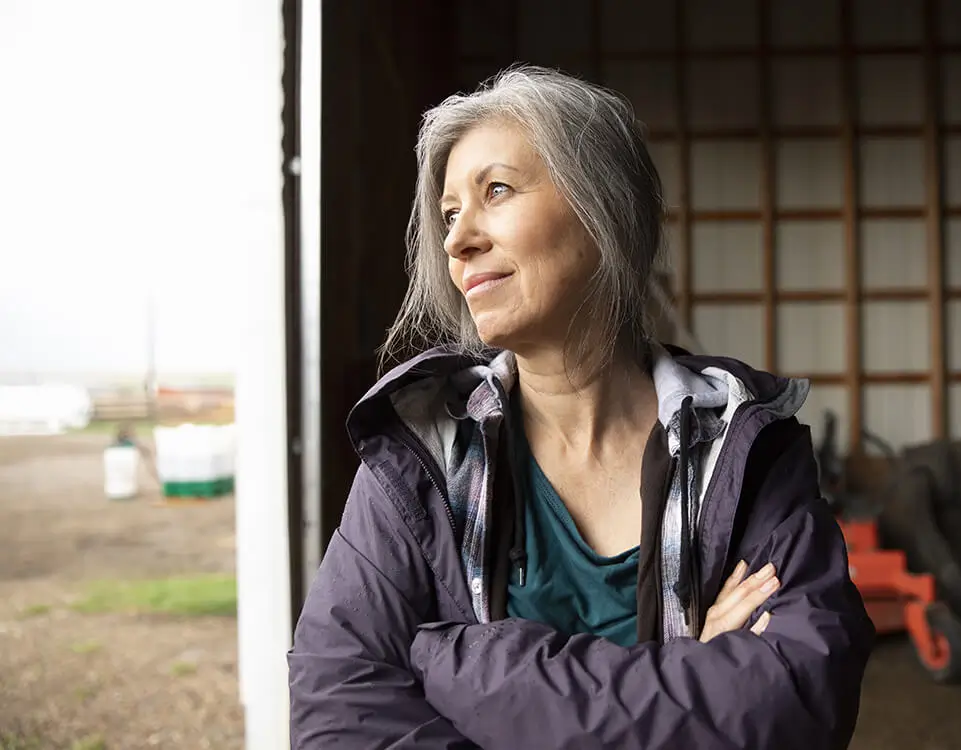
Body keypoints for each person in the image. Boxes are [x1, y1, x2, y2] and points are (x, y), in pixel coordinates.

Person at [288, 65, 875, 750]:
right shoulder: (421, 459)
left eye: (496, 191)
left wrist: (466, 672)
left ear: (606, 207)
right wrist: (687, 673)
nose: (456, 240)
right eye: (449, 214)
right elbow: (338, 717)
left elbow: (798, 704)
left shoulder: (746, 451)